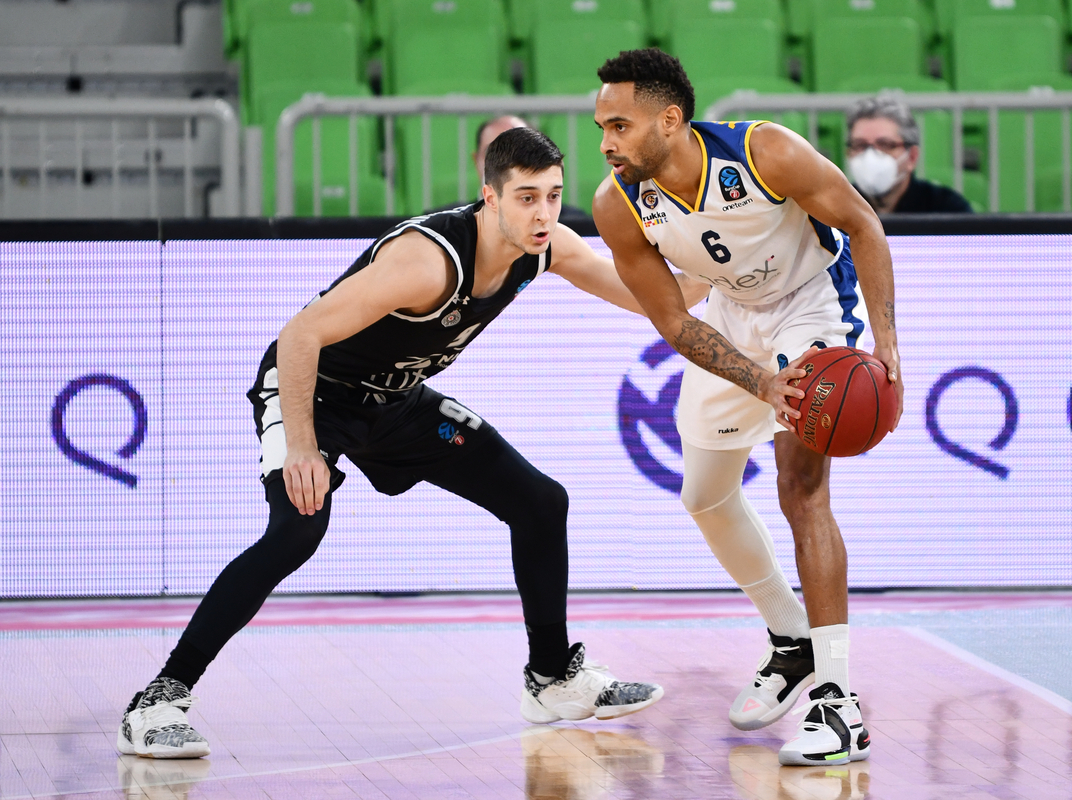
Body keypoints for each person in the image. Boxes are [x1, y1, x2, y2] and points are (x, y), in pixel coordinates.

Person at [117, 128, 706, 759]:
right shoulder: (427, 261)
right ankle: (157, 700)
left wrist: (723, 263)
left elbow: (650, 298)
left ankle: (553, 678)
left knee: (539, 502)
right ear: (491, 197)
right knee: (296, 531)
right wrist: (302, 447)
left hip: (397, 401)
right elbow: (298, 337)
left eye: (554, 197)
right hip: (317, 395)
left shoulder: (547, 247)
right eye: (527, 197)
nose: (543, 213)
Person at [592, 49, 904, 767]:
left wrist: (887, 346)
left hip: (813, 303)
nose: (606, 142)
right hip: (733, 316)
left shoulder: (764, 151)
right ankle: (790, 639)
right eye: (601, 125)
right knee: (704, 493)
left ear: (670, 120)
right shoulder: (617, 204)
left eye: (619, 124)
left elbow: (864, 224)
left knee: (801, 489)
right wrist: (759, 379)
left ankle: (839, 705)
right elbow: (673, 322)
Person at [430, 115, 593, 224]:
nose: (505, 162)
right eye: (491, 152)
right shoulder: (444, 225)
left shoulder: (574, 224)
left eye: (519, 151)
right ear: (476, 160)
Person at [845, 96, 973, 215]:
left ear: (912, 157)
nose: (870, 156)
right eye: (860, 145)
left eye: (885, 145)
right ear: (848, 154)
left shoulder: (947, 210)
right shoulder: (834, 209)